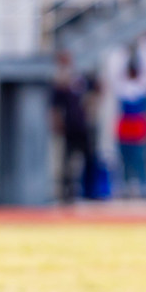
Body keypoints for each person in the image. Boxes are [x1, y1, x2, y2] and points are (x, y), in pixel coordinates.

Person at [111, 35, 146, 199]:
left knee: (141, 159)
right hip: (126, 127)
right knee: (125, 160)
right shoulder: (122, 86)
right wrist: (124, 50)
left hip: (138, 127)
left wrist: (145, 44)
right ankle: (126, 189)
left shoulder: (143, 85)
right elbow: (115, 68)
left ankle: (144, 188)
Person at [50, 50, 96, 203]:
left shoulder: (79, 78)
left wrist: (90, 110)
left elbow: (95, 89)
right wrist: (57, 123)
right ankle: (67, 192)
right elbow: (55, 106)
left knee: (88, 157)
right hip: (69, 126)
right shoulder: (59, 80)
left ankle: (90, 190)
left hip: (82, 124)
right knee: (67, 160)